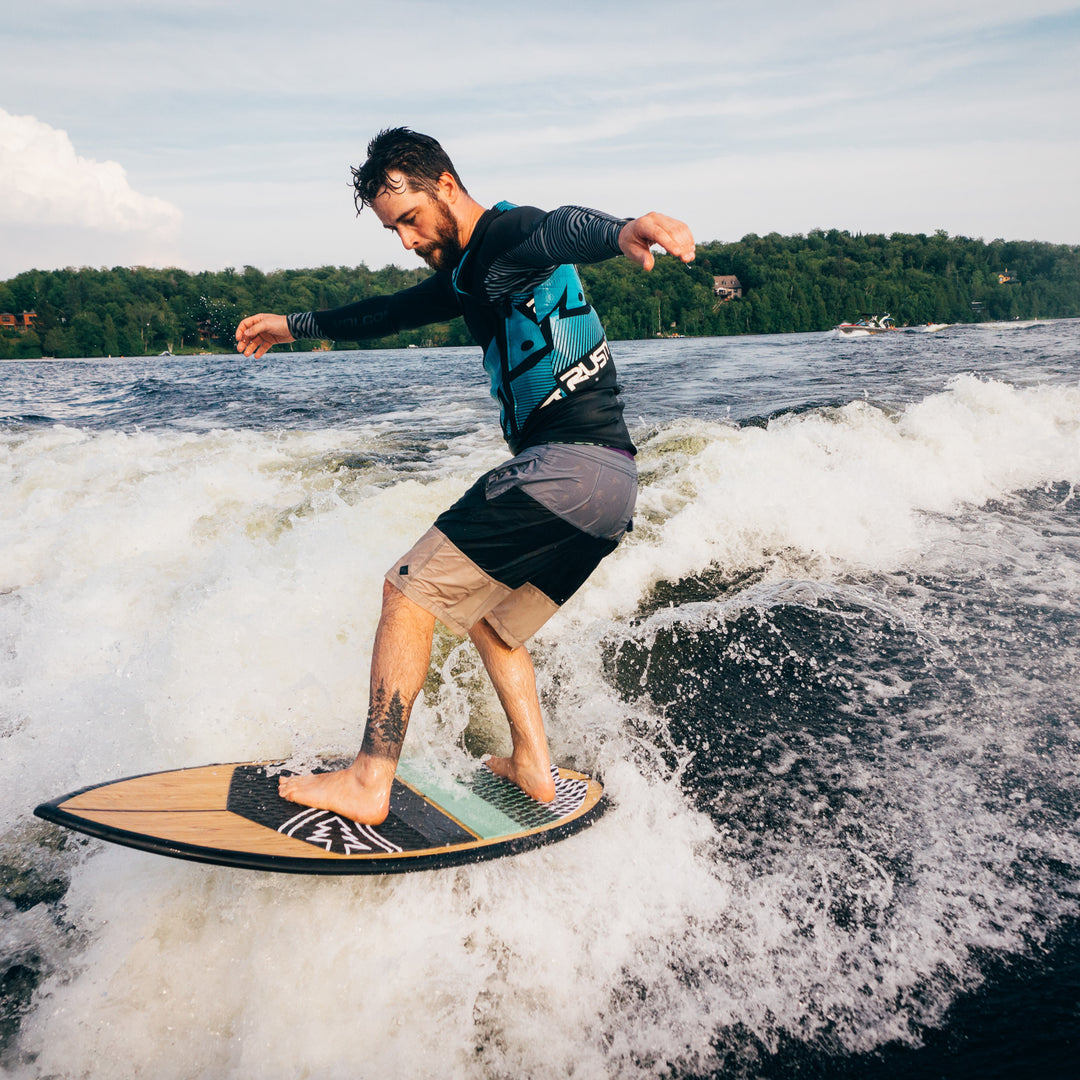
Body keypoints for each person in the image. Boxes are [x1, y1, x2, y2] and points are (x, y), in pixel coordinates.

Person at [235, 128, 695, 824]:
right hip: (612, 486)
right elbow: (387, 312)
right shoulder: (468, 274)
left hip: (564, 466)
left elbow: (557, 230)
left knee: (407, 590)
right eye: (394, 231)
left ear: (445, 185)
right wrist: (291, 323)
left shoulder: (506, 237)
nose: (407, 240)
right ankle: (534, 767)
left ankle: (369, 779)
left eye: (410, 220)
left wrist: (623, 228)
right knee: (494, 624)